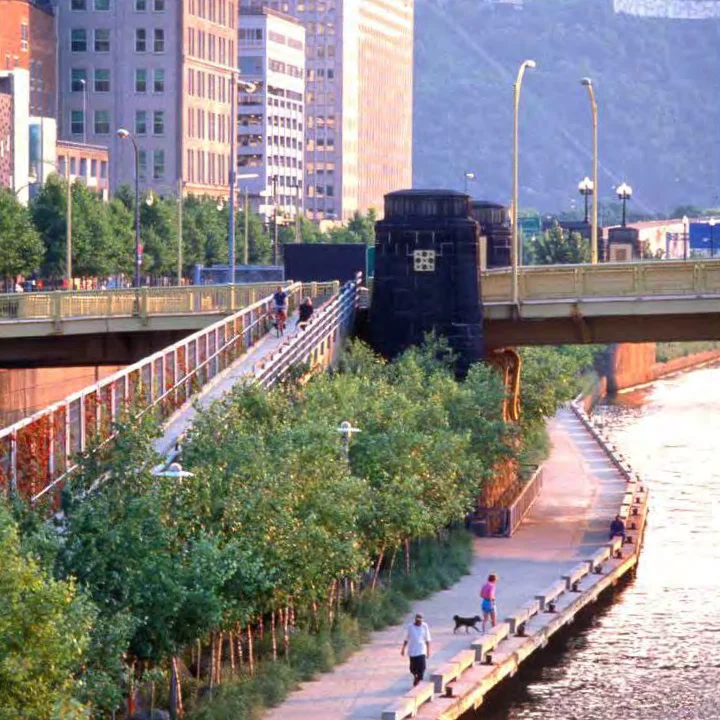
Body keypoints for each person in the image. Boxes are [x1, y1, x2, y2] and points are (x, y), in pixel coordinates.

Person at [401, 613, 431, 686]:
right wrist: (403, 649)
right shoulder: (410, 627)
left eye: (420, 621)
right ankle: (415, 677)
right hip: (412, 651)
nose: (419, 622)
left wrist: (428, 651)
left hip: (421, 650)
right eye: (418, 621)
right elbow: (406, 638)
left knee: (422, 668)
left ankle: (419, 683)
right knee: (412, 668)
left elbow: (427, 639)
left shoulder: (425, 626)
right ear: (415, 620)